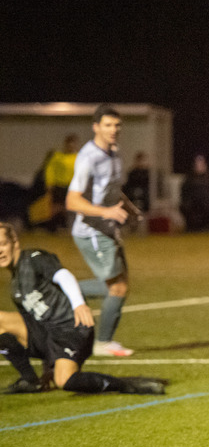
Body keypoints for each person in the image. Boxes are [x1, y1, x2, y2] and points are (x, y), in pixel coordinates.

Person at [0, 222, 166, 395]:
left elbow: (63, 276)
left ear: (15, 242)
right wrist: (49, 366)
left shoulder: (34, 258)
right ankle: (30, 381)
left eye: (3, 244)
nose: (0, 251)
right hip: (49, 334)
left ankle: (126, 385)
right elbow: (34, 324)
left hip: (71, 328)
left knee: (65, 381)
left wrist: (79, 303)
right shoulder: (16, 285)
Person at [66, 105, 140, 358]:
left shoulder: (114, 153)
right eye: (107, 125)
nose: (113, 130)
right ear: (96, 127)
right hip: (91, 231)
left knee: (120, 285)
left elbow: (111, 189)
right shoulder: (88, 157)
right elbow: (72, 201)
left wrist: (130, 208)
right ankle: (102, 342)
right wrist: (106, 212)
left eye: (117, 125)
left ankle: (104, 340)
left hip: (107, 229)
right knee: (116, 288)